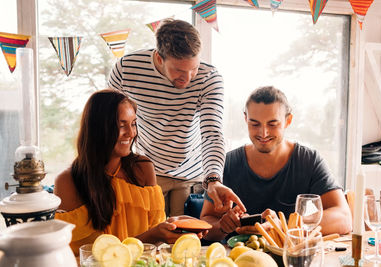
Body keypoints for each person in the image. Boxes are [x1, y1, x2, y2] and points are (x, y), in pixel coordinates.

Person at [108, 19, 245, 216]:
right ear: (159, 58)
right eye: (179, 70)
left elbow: (212, 134)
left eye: (193, 69)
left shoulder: (209, 78)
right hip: (145, 171)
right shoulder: (126, 69)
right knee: (148, 240)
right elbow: (109, 122)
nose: (187, 78)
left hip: (192, 175)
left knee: (187, 240)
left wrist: (213, 179)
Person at [54, 89, 206, 256]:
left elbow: (154, 239)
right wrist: (155, 234)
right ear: (98, 128)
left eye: (133, 123)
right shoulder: (67, 181)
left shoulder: (143, 168)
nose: (132, 133)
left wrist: (171, 226)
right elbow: (82, 255)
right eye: (121, 125)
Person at [200, 86, 352, 241]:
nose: (263, 133)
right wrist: (222, 226)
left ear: (288, 121)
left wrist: (284, 226)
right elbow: (205, 224)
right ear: (245, 119)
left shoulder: (309, 160)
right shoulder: (228, 163)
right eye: (255, 124)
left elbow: (344, 218)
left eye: (272, 124)